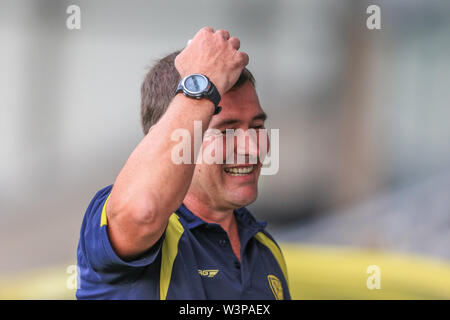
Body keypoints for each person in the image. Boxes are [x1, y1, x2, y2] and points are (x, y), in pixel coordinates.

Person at [76, 27, 290, 300]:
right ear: (165, 138)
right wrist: (203, 81)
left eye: (257, 126)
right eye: (226, 131)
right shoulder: (118, 217)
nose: (251, 148)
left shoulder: (264, 248)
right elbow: (143, 212)